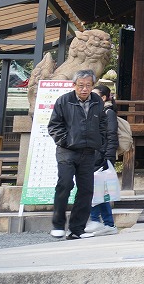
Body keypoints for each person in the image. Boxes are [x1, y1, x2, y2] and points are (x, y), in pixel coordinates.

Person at [48, 70, 107, 240]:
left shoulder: (97, 101)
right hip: (67, 151)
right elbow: (54, 125)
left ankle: (77, 229)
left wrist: (100, 140)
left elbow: (102, 123)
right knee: (64, 185)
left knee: (86, 190)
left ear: (93, 86)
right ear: (74, 85)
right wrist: (65, 141)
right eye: (81, 85)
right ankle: (58, 225)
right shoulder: (64, 101)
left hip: (88, 151)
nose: (84, 89)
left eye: (88, 85)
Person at [85, 85, 119, 235]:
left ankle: (98, 221)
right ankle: (106, 224)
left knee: (95, 191)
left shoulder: (108, 112)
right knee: (98, 191)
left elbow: (112, 135)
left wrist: (108, 157)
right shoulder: (94, 112)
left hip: (101, 157)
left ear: (103, 97)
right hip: (92, 155)